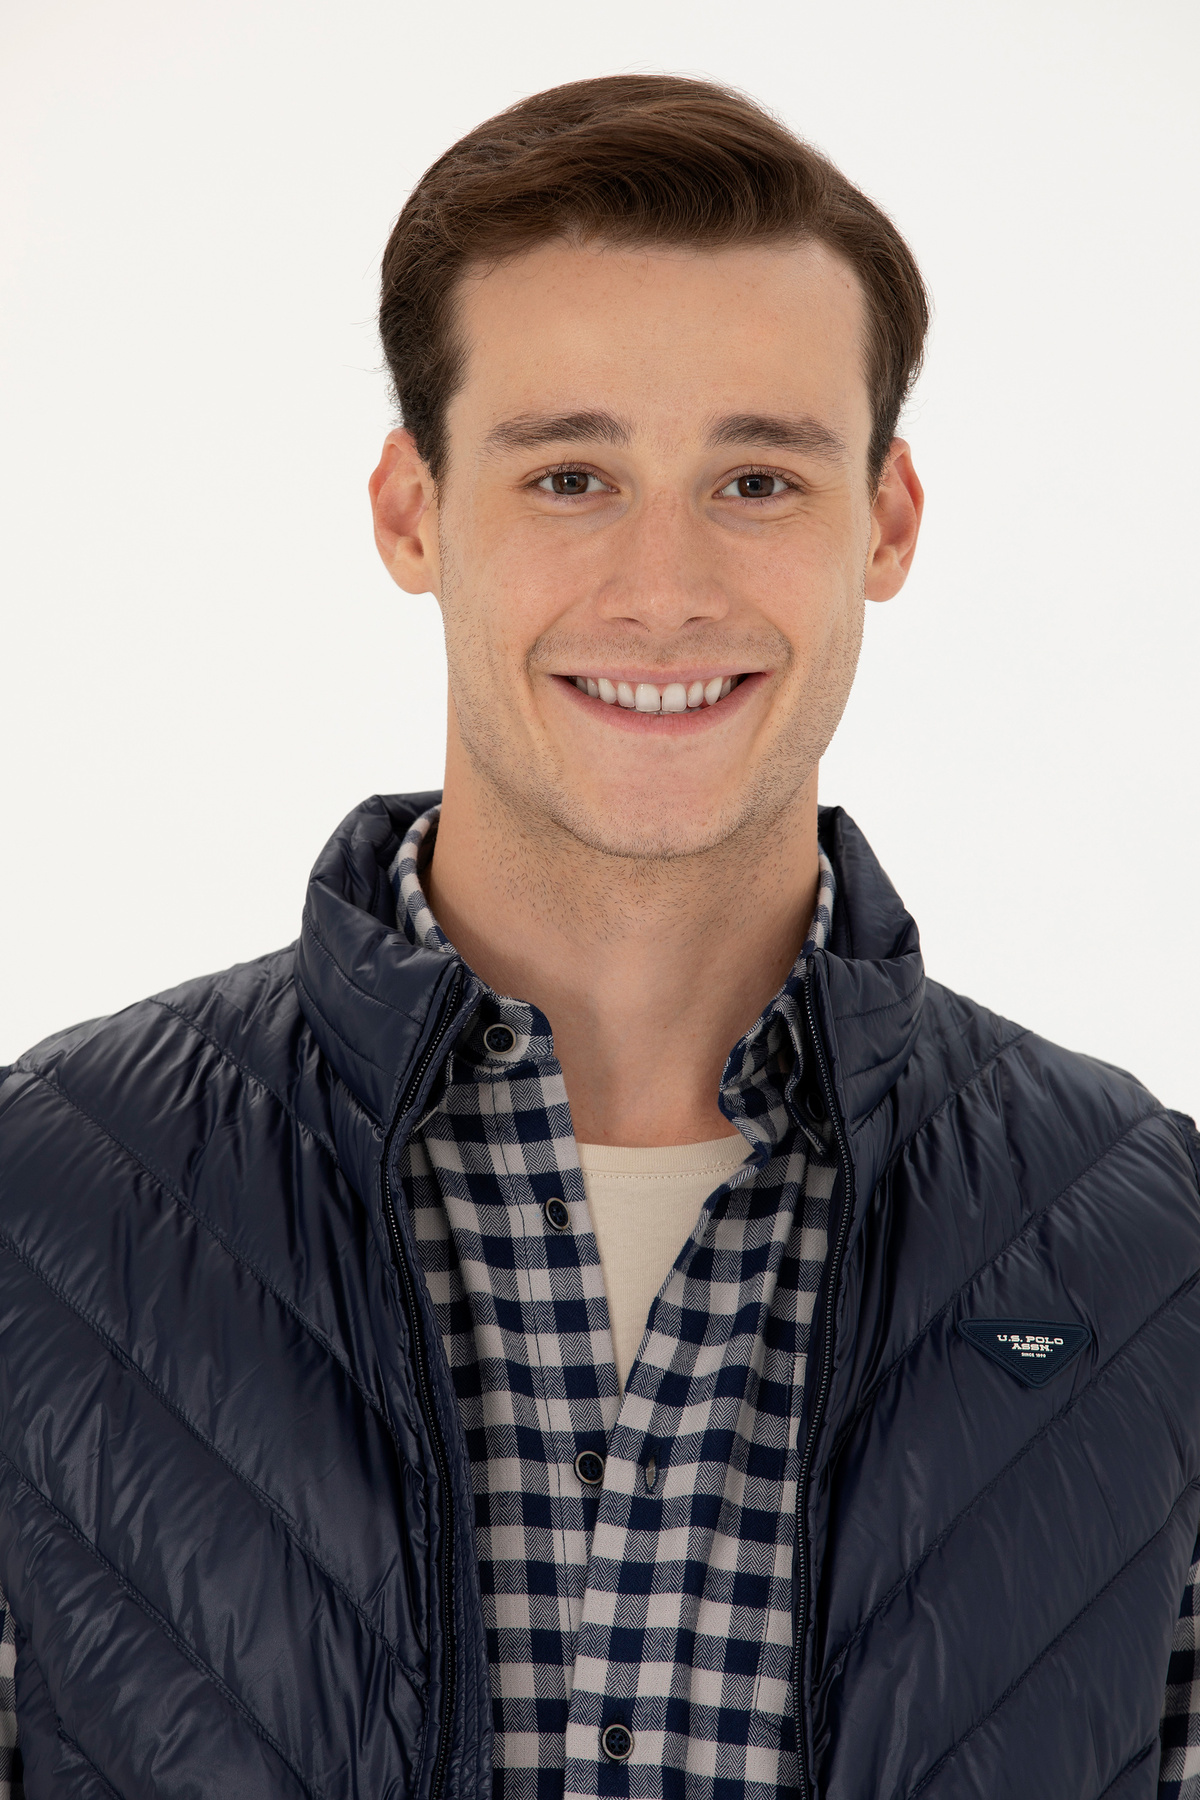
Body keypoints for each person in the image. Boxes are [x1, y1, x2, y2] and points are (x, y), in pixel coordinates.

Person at [0, 72, 1197, 1800]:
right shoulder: (44, 1214)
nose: (664, 589)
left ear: (886, 521)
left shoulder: (1151, 1262)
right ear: (411, 512)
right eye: (571, 476)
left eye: (757, 480)